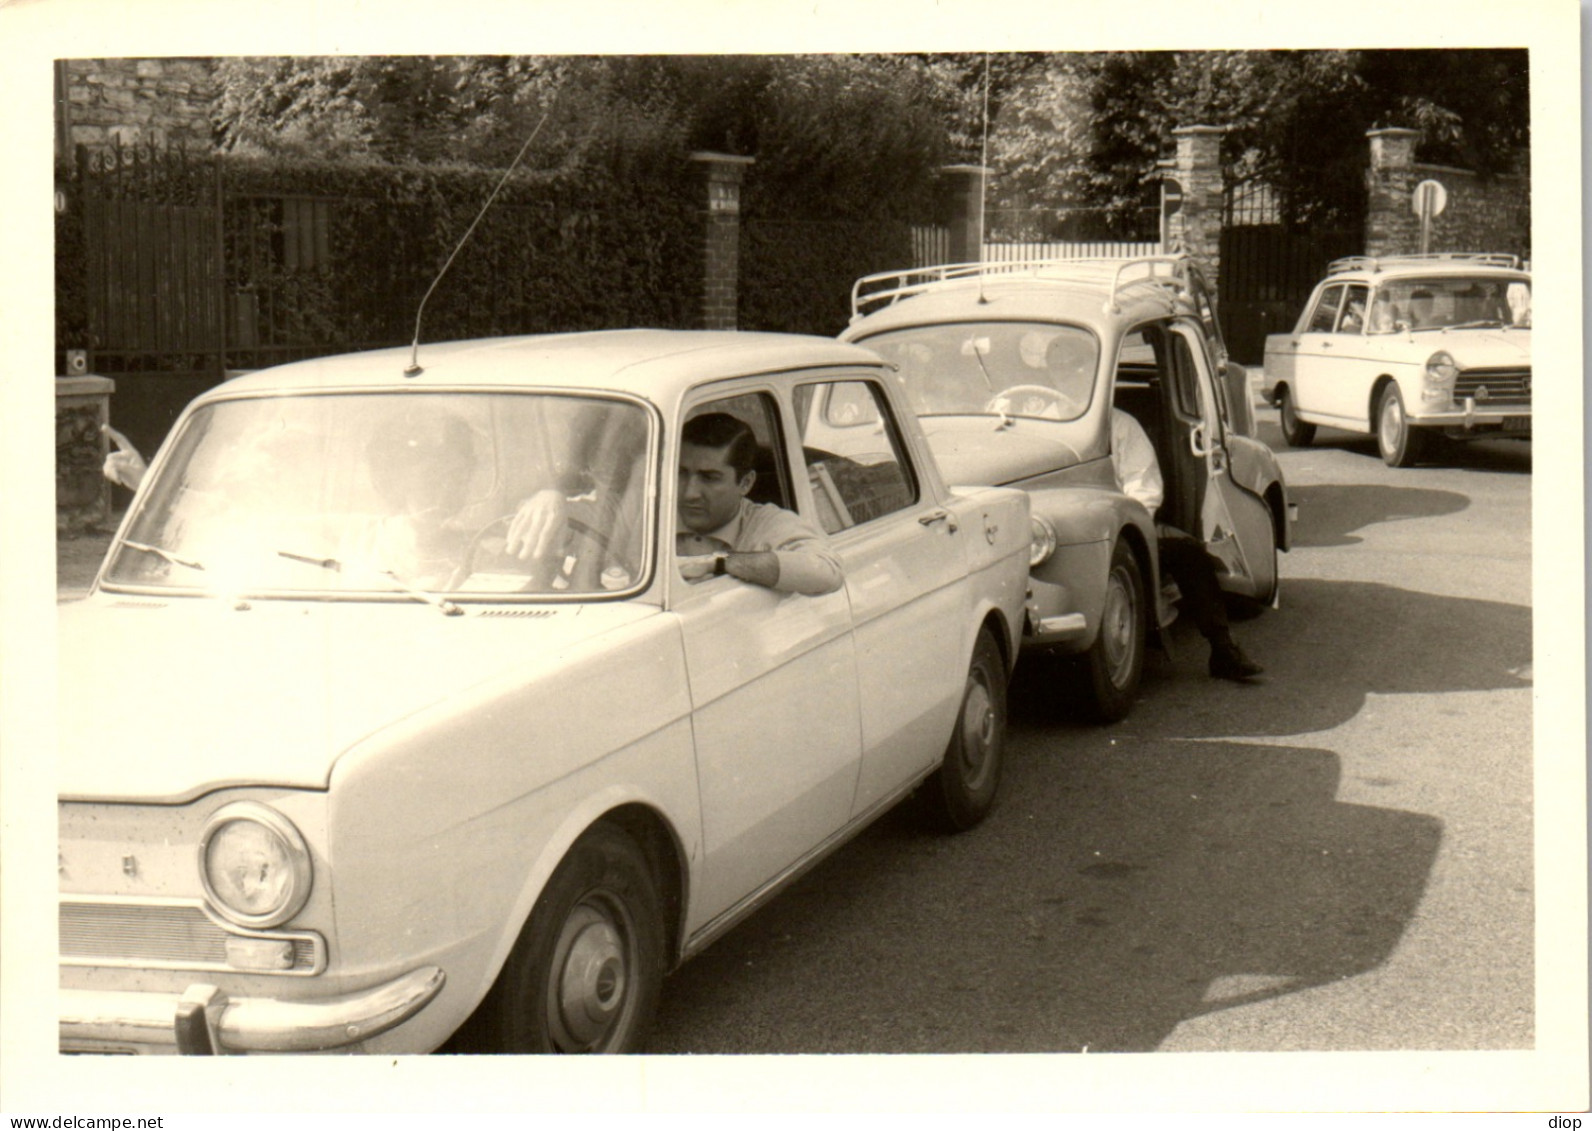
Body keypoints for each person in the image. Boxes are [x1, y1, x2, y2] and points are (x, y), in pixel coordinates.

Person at [1110, 407, 1263, 682]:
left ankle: (1222, 648)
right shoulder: (1012, 415)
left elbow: (1143, 488)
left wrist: (1128, 530)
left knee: (1188, 552)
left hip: (1121, 525)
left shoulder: (1120, 425)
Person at [673, 412, 844, 595]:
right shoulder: (649, 516)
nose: (689, 493)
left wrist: (719, 563)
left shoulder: (768, 523)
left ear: (746, 483)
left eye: (709, 478)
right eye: (681, 473)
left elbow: (828, 572)